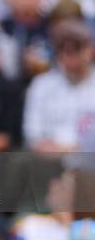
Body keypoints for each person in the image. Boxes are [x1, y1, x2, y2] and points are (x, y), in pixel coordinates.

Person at [23, 19, 95, 152]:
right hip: (49, 163)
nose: (71, 58)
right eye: (64, 50)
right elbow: (32, 137)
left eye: (77, 49)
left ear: (90, 49)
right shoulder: (42, 85)